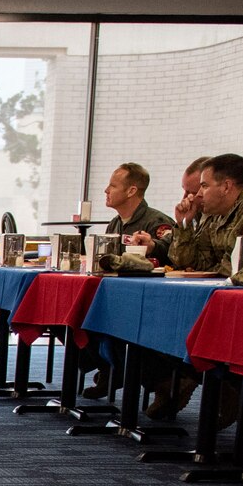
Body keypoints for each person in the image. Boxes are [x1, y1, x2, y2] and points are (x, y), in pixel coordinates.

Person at [79, 163, 174, 397]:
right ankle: (110, 369)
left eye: (113, 185)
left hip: (146, 301)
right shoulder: (116, 223)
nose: (106, 190)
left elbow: (172, 252)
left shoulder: (156, 222)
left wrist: (153, 245)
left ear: (132, 191)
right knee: (78, 317)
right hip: (116, 297)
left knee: (101, 321)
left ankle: (158, 380)